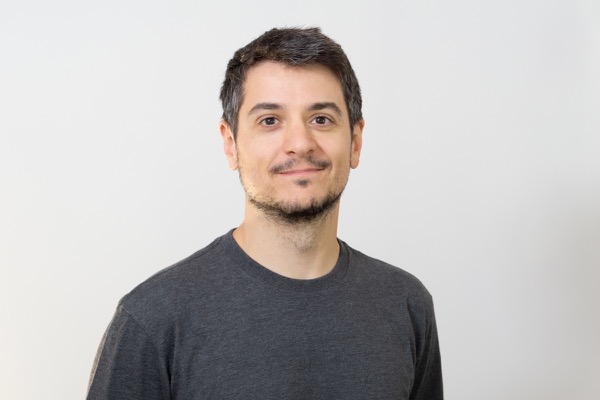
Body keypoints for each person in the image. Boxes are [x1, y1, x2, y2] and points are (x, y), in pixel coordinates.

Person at [87, 27, 443, 400]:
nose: (300, 144)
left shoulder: (406, 305)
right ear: (231, 144)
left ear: (355, 141)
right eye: (270, 120)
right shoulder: (153, 320)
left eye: (321, 119)